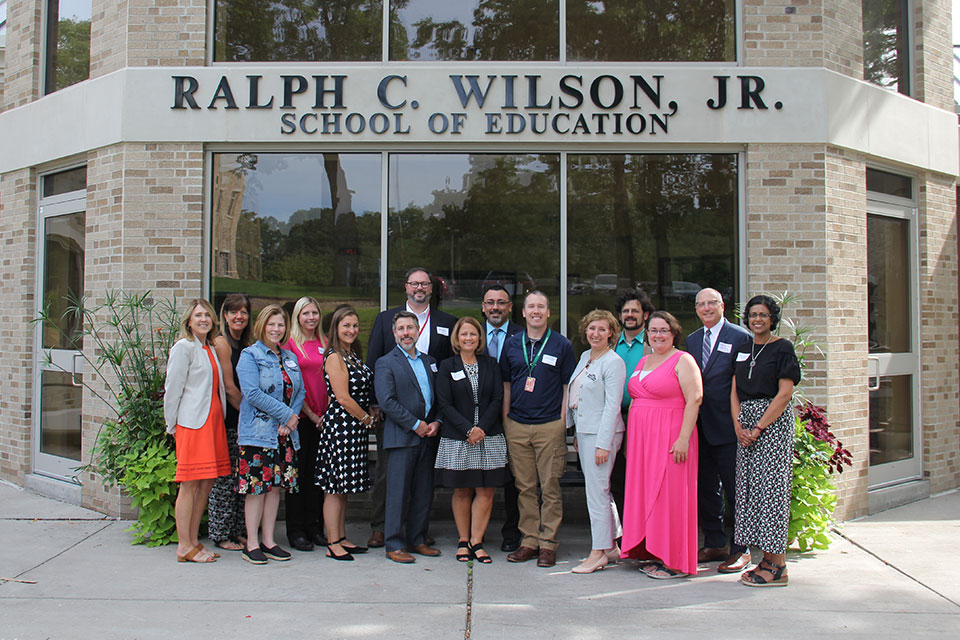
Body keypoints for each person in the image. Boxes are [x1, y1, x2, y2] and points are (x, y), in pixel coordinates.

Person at [365, 267, 457, 548]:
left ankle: (417, 532)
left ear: (432, 288)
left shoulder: (446, 322)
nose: (419, 288)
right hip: (394, 417)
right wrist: (374, 403)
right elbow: (373, 362)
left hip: (429, 422)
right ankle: (382, 528)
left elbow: (445, 372)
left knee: (422, 482)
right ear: (406, 287)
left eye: (425, 284)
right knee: (387, 476)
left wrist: (436, 419)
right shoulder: (385, 320)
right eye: (414, 283)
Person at [622, 311, 702, 579]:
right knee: (647, 494)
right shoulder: (644, 360)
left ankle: (676, 562)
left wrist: (683, 438)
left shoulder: (683, 360)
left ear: (674, 333)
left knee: (671, 496)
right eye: (653, 331)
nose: (657, 335)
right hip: (643, 441)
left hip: (671, 437)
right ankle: (653, 551)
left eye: (663, 330)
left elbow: (695, 399)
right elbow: (636, 398)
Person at [501, 291, 575, 568]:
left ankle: (548, 544)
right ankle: (529, 541)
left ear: (548, 312)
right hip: (518, 424)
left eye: (540, 307)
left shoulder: (561, 345)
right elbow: (506, 384)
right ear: (523, 312)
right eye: (531, 306)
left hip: (549, 426)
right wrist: (507, 418)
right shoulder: (511, 344)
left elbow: (568, 386)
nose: (535, 311)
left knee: (551, 487)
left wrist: (561, 421)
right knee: (525, 487)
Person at [731, 295, 801, 588]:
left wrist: (758, 427)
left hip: (771, 424)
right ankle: (765, 560)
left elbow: (784, 394)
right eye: (752, 314)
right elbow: (733, 389)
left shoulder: (782, 348)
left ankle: (778, 565)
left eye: (763, 314)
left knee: (771, 492)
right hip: (744, 424)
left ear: (773, 318)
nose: (757, 319)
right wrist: (738, 426)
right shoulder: (742, 348)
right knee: (752, 492)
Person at [687, 288, 753, 573]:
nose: (706, 308)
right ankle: (715, 541)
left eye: (711, 303)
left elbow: (747, 384)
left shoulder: (740, 338)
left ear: (722, 306)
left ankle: (742, 549)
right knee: (705, 488)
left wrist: (746, 423)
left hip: (729, 427)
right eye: (700, 304)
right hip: (698, 428)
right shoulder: (691, 340)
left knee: (735, 488)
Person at [235, 304, 305, 565]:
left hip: (284, 435)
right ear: (262, 326)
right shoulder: (250, 356)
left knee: (275, 488)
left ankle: (268, 540)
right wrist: (285, 415)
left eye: (281, 325)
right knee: (257, 489)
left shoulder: (289, 357)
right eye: (272, 324)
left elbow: (300, 392)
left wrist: (291, 420)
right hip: (258, 434)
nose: (276, 329)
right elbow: (252, 394)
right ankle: (251, 544)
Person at [163, 298, 231, 564]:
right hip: (193, 424)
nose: (203, 319)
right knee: (190, 484)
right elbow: (173, 388)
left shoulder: (209, 348)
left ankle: (194, 541)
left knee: (207, 482)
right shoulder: (184, 347)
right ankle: (184, 545)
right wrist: (172, 425)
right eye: (198, 315)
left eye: (207, 315)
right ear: (189, 321)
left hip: (212, 422)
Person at [435, 316, 508, 564]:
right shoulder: (447, 366)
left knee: (486, 489)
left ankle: (477, 541)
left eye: (473, 334)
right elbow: (444, 403)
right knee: (462, 489)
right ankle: (463, 540)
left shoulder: (491, 364)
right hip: (458, 437)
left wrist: (481, 428)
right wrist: (468, 429)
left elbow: (498, 398)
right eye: (464, 334)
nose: (468, 338)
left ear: (480, 338)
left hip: (488, 436)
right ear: (457, 338)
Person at [375, 311, 443, 563]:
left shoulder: (429, 362)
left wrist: (436, 422)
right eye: (401, 328)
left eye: (410, 328)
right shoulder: (386, 362)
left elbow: (438, 398)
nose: (406, 333)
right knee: (398, 493)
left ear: (418, 331)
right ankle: (394, 543)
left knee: (424, 491)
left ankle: (417, 539)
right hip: (402, 436)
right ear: (394, 333)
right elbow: (387, 402)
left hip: (428, 436)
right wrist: (415, 424)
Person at [567, 310, 626, 574]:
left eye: (602, 329)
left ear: (611, 333)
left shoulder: (613, 362)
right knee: (601, 491)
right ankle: (612, 546)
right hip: (585, 432)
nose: (596, 334)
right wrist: (577, 434)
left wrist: (603, 443)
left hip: (603, 435)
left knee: (597, 493)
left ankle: (598, 551)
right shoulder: (585, 357)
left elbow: (612, 406)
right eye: (592, 328)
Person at [316, 306, 376, 561]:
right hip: (341, 426)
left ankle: (341, 537)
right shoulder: (334, 357)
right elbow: (342, 397)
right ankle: (332, 542)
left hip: (354, 428)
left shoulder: (351, 353)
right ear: (336, 329)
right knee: (334, 487)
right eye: (346, 326)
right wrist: (366, 418)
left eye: (354, 326)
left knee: (343, 488)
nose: (351, 330)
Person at [281, 296, 329, 552]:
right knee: (297, 476)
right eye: (305, 313)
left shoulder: (325, 343)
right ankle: (296, 531)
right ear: (297, 316)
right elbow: (291, 387)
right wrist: (311, 415)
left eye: (314, 313)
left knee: (317, 477)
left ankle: (315, 527)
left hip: (324, 420)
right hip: (300, 420)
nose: (311, 317)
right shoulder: (288, 345)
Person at [480, 284, 524, 553]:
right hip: (478, 418)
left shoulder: (522, 335)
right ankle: (476, 533)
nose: (495, 307)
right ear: (483, 307)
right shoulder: (471, 334)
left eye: (501, 302)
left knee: (513, 479)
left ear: (509, 307)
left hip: (514, 416)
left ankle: (512, 533)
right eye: (490, 302)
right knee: (478, 477)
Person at [208, 293, 250, 552]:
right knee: (224, 480)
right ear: (224, 316)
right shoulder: (222, 343)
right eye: (233, 311)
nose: (239, 316)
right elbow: (229, 386)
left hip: (244, 421)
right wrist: (252, 413)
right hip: (230, 421)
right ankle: (221, 534)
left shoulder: (246, 344)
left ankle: (238, 531)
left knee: (242, 479)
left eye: (244, 311)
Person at [611, 289, 654, 521]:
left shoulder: (654, 342)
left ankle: (645, 531)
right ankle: (624, 533)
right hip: (615, 417)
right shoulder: (610, 343)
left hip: (645, 419)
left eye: (635, 311)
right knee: (617, 477)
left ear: (645, 315)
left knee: (644, 477)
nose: (630, 315)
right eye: (625, 311)